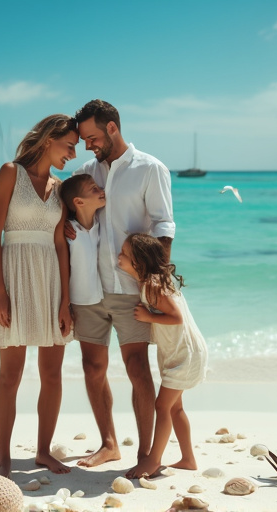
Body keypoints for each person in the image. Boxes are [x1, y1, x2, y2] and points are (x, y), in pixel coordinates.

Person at [67, 99, 176, 467]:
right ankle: (109, 444)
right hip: (91, 288)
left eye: (93, 137)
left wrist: (154, 279)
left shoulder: (150, 168)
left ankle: (146, 453)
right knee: (91, 368)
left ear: (112, 127)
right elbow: (74, 212)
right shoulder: (86, 171)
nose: (88, 145)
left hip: (131, 290)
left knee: (137, 368)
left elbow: (163, 225)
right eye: (84, 139)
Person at [0, 114, 77, 477]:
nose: (72, 153)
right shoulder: (11, 172)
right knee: (10, 375)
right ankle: (3, 458)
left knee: (52, 374)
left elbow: (60, 245)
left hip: (51, 280)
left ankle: (42, 451)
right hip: (14, 276)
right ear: (48, 139)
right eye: (69, 145)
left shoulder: (60, 188)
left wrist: (66, 300)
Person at [117, 233, 208, 479]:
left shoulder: (153, 285)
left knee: (162, 405)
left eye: (124, 254)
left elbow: (176, 317)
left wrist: (149, 317)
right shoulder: (149, 281)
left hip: (185, 355)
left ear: (139, 261)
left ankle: (154, 461)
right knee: (175, 408)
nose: (119, 257)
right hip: (178, 353)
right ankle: (188, 459)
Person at [59, 174, 106, 329]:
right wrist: (65, 304)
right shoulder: (70, 233)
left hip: (103, 300)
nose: (102, 191)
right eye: (94, 189)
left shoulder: (101, 225)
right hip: (79, 304)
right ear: (79, 202)